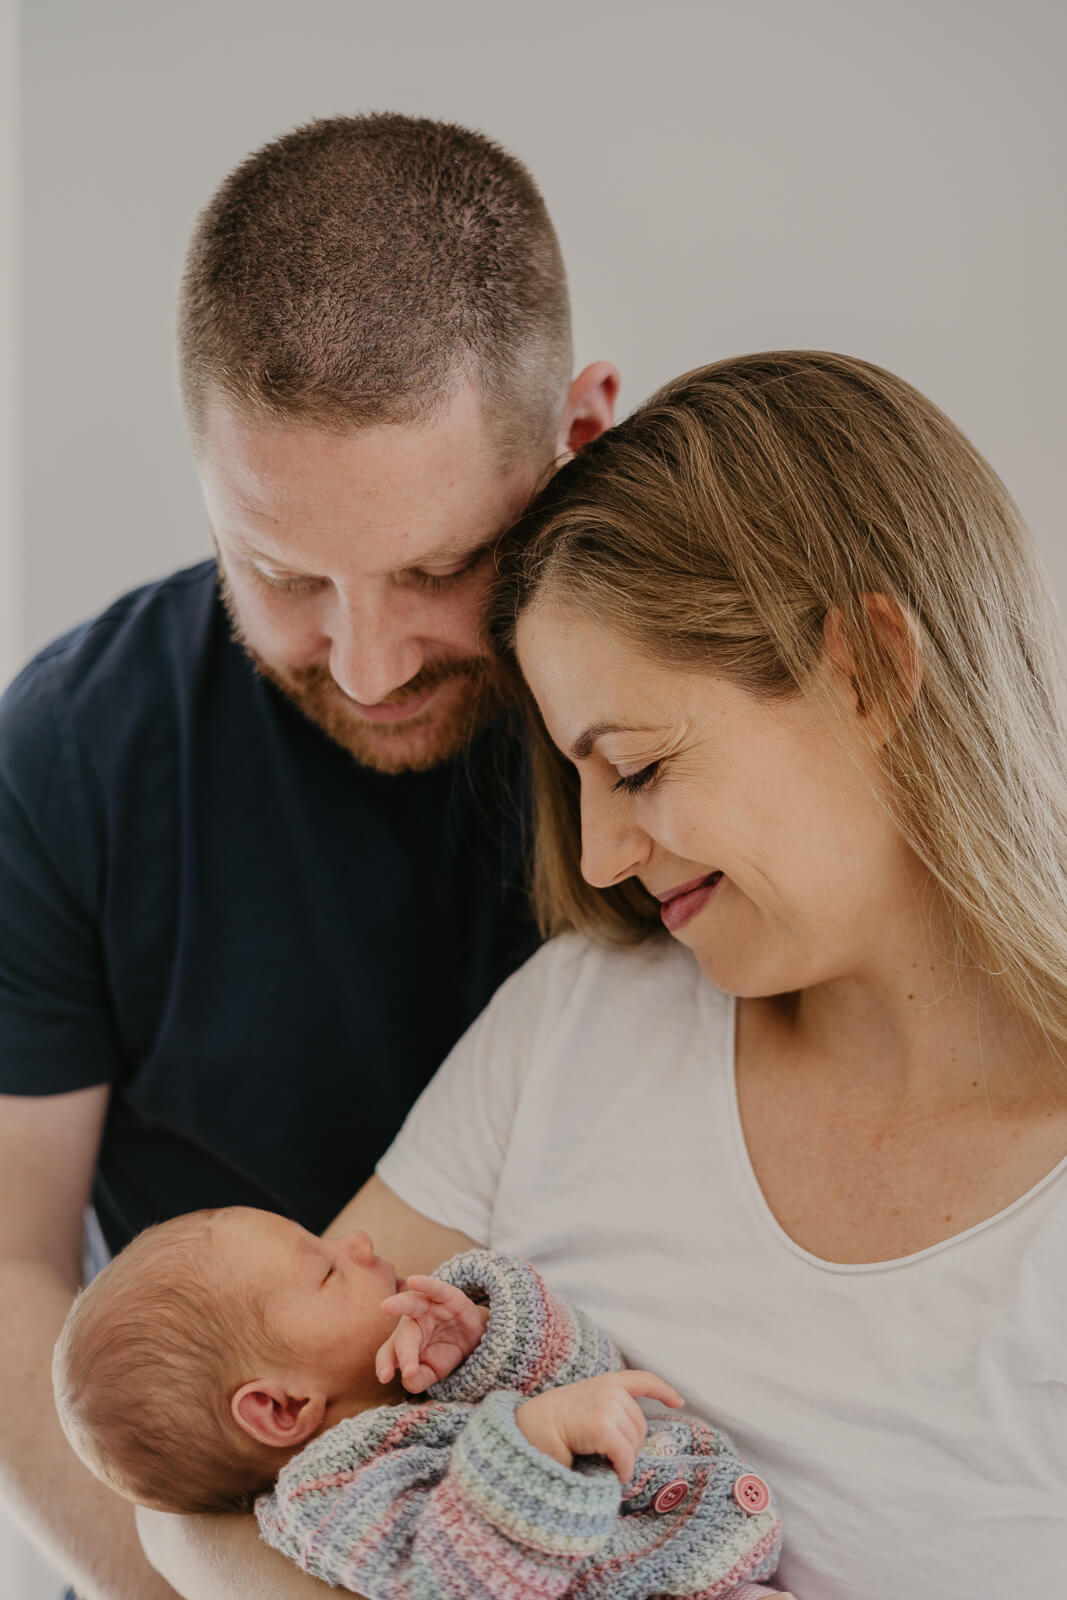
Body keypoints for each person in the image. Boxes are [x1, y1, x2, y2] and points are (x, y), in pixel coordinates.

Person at [141, 352, 1067, 1600]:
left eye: (630, 766)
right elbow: (207, 1486)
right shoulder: (577, 1019)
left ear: (867, 669)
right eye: (573, 778)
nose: (597, 853)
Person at [0, 112, 618, 1597]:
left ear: (579, 436)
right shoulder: (72, 758)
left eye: (438, 566)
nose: (361, 662)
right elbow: (14, 1269)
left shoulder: (677, 726)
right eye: (278, 572)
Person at [53, 1205, 787, 1599]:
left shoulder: (409, 1388)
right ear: (280, 1408)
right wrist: (531, 1440)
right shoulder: (326, 1497)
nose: (361, 1244)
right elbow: (461, 1584)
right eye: (325, 1271)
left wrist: (482, 1346)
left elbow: (592, 1389)